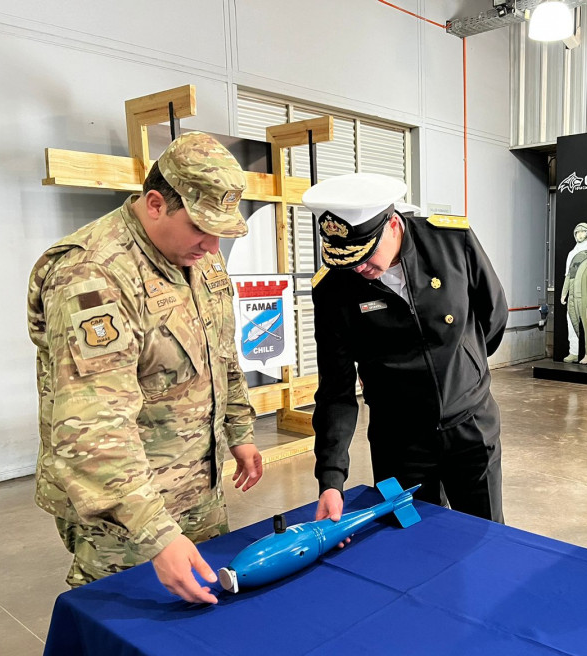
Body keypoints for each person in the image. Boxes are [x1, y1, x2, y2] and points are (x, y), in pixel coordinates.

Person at [27, 131, 263, 605]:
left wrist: (240, 432)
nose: (213, 247)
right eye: (201, 228)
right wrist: (156, 533)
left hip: (198, 489)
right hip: (124, 514)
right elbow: (92, 423)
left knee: (204, 631)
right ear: (156, 203)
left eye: (221, 231)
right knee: (127, 639)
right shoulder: (93, 273)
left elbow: (222, 355)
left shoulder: (199, 261)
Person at [303, 173, 508, 525]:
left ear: (393, 224)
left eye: (365, 255)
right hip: (398, 441)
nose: (358, 269)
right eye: (348, 261)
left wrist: (464, 372)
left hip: (470, 429)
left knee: (486, 537)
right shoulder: (334, 288)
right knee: (411, 546)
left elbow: (494, 315)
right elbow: (335, 389)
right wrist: (331, 480)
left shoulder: (451, 241)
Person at [560, 222, 587, 364]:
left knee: (586, 323)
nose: (579, 234)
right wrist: (563, 293)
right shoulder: (571, 253)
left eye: (582, 232)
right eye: (577, 232)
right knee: (571, 323)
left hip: (585, 293)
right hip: (572, 294)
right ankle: (574, 352)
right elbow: (568, 275)